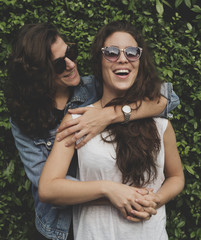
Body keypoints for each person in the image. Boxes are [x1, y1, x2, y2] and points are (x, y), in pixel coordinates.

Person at [6, 23, 179, 240]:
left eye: (71, 53)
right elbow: (48, 187)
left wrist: (109, 115)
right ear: (39, 74)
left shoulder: (93, 87)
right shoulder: (25, 120)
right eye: (59, 64)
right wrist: (116, 193)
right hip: (62, 222)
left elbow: (166, 97)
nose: (71, 64)